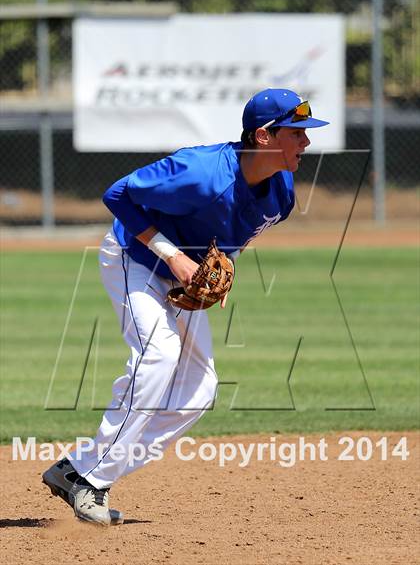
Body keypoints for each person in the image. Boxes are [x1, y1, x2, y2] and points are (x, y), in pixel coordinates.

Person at [42, 88, 329, 525]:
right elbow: (118, 194)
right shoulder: (199, 172)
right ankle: (91, 483)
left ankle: (80, 470)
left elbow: (228, 236)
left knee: (198, 391)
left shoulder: (282, 192)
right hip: (133, 258)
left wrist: (221, 270)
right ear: (265, 136)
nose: (306, 142)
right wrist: (173, 255)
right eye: (297, 133)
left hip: (182, 278)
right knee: (158, 355)